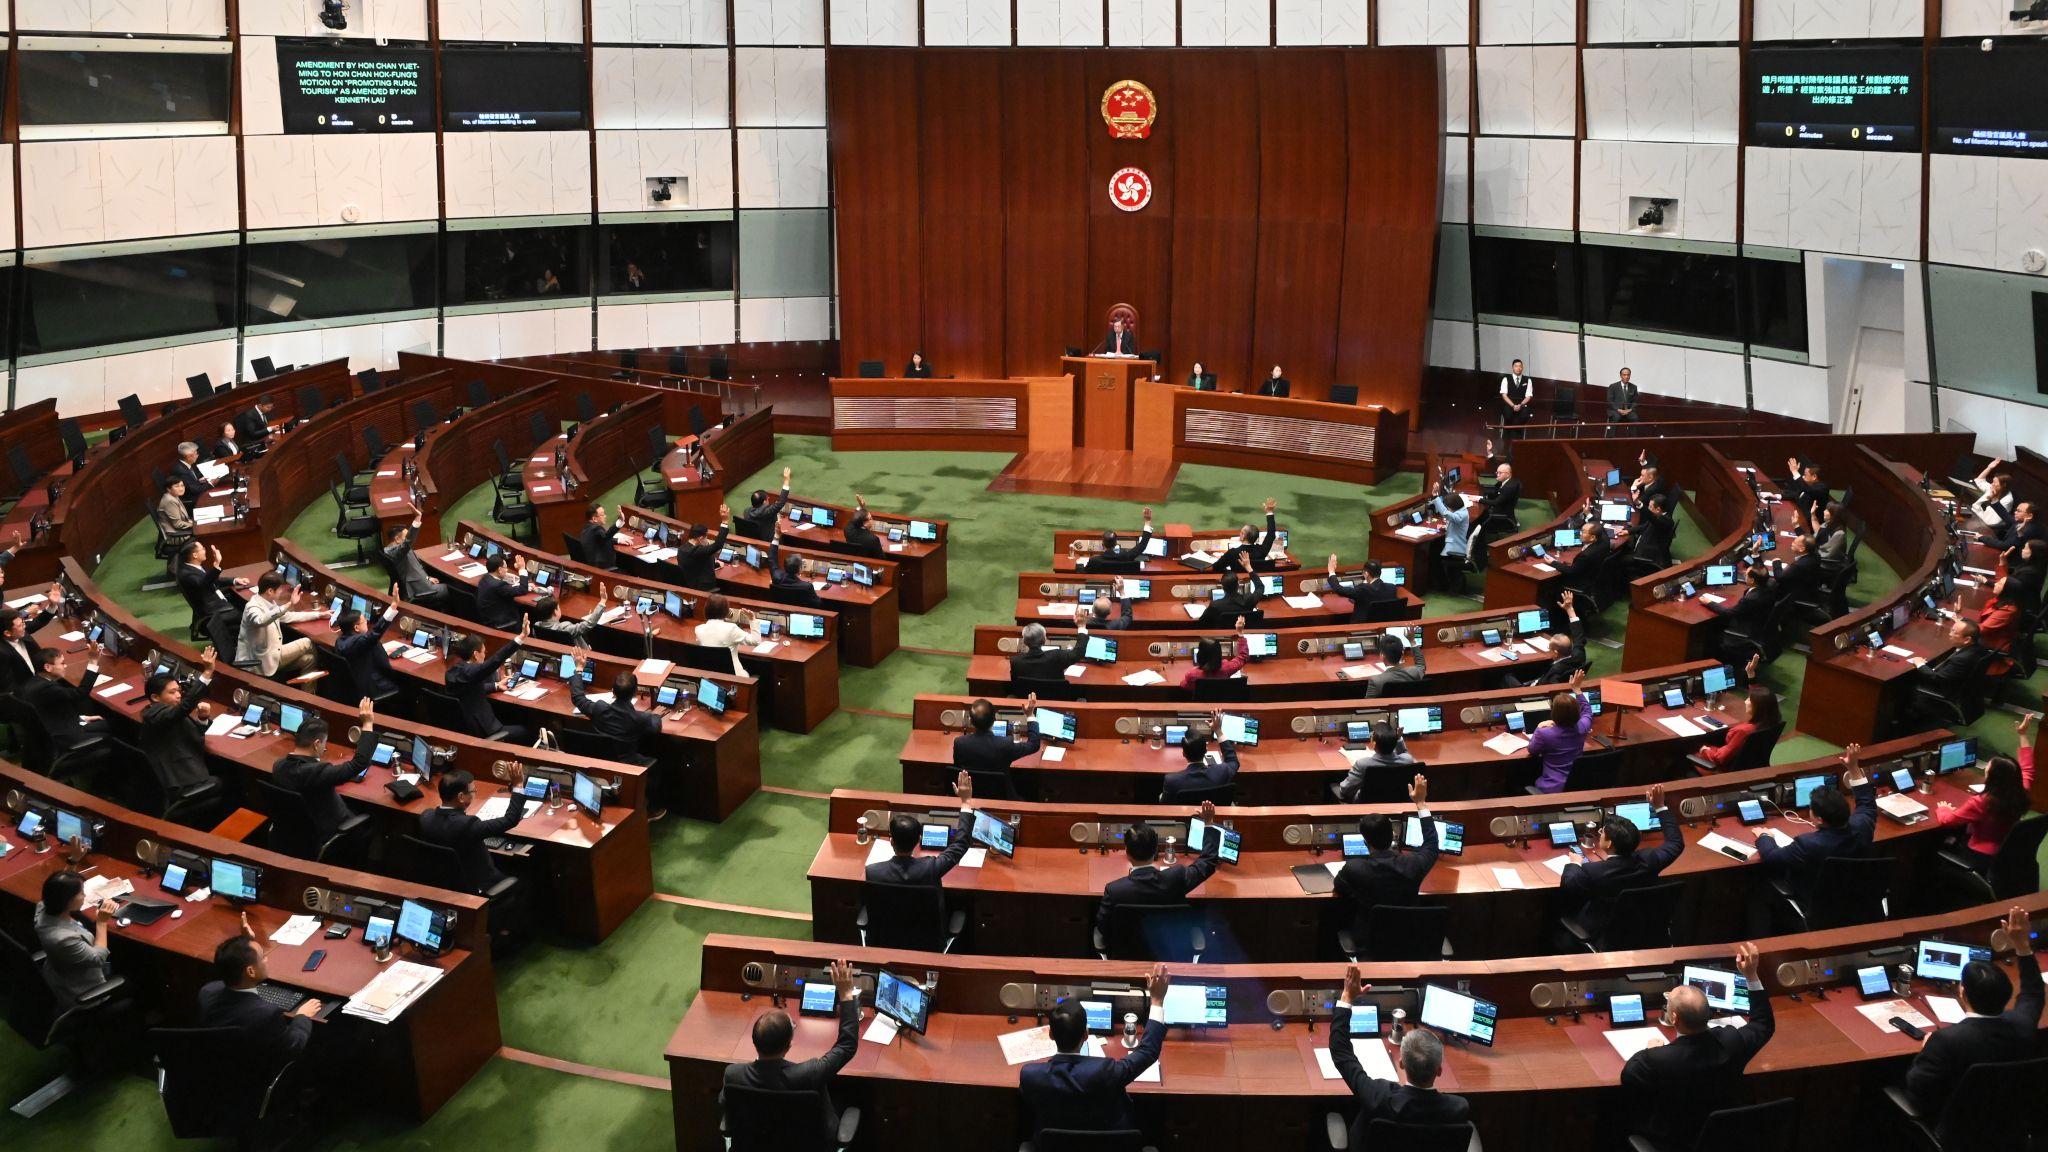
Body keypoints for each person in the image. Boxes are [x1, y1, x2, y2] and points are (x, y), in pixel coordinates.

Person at [1619, 942, 1775, 1148]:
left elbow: (1627, 1076)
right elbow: (1763, 1024)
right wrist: (1751, 975)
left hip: (1674, 1142)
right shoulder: (1732, 1042)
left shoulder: (1657, 1059)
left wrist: (1652, 1051)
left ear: (1674, 1018)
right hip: (1723, 1139)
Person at [1904, 905, 2042, 1118]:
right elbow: (2033, 994)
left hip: (1952, 1127)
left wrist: (1926, 1050)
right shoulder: (2023, 1025)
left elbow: (1916, 1089)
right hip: (2010, 1123)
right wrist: (2022, 946)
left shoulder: (1945, 1041)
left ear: (1963, 992)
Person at [1019, 964, 1167, 1138]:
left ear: (1050, 1034)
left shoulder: (1030, 1075)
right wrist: (1157, 1001)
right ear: (1086, 1035)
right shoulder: (1107, 1071)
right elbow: (1148, 1051)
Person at [724, 958, 861, 1138]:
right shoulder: (810, 1073)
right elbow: (847, 1045)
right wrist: (846, 994)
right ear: (789, 1045)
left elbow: (727, 1107)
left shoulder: (733, 1075)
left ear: (754, 1041)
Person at [1329, 966, 1469, 1142]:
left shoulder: (1379, 1096)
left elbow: (1341, 1053)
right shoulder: (1458, 1107)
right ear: (1439, 1070)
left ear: (1401, 1063)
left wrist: (1346, 998)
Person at [1756, 743, 1876, 912]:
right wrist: (1853, 767)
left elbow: (1771, 858)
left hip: (1820, 909)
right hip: (1859, 904)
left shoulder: (1807, 844)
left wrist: (1765, 837)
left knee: (1758, 890)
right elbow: (1866, 803)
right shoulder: (1862, 826)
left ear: (1819, 819)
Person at [1558, 784, 1683, 941]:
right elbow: (1675, 843)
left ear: (1609, 844)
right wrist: (1660, 807)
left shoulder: (1594, 871)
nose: (1600, 833)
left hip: (1604, 935)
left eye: (1602, 833)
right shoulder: (1650, 859)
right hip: (1643, 930)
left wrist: (1575, 863)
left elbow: (1570, 884)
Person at [1096, 801, 1220, 939]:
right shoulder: (1177, 877)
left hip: (1128, 949)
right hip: (1171, 947)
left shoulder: (1114, 890)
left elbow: (1103, 928)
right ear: (1156, 849)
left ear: (1127, 852)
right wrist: (1208, 823)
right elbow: (1208, 862)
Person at [199, 933, 320, 1072]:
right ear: (251, 971)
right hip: (254, 1074)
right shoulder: (267, 1014)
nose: (266, 959)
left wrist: (245, 943)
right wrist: (302, 1016)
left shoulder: (207, 992)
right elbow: (292, 1046)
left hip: (219, 1066)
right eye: (263, 957)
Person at [1934, 713, 2037, 867]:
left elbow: (1948, 820)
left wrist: (1943, 808)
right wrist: (2022, 734)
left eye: (1987, 770)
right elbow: (2027, 768)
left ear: (1994, 778)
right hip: (2006, 850)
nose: (1984, 771)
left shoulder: (1982, 802)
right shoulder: (2021, 789)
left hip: (1979, 856)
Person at [272, 703, 378, 844]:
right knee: (374, 820)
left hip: (294, 830)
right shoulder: (317, 772)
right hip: (330, 833)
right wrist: (368, 723)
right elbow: (359, 763)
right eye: (324, 743)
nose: (325, 747)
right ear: (316, 744)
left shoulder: (278, 766)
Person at [419, 765, 534, 895]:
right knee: (528, 878)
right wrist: (518, 785)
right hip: (480, 885)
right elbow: (510, 820)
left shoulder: (426, 817)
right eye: (473, 791)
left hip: (444, 881)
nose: (475, 793)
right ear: (461, 797)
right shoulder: (468, 825)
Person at [1333, 775, 1438, 906]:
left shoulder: (1354, 868)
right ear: (1393, 836)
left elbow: (1339, 887)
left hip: (1369, 920)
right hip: (1407, 920)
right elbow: (1432, 844)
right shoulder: (1413, 864)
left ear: (1365, 842)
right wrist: (1421, 803)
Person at [139, 648, 221, 812]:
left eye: (179, 691)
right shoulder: (156, 715)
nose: (178, 695)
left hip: (185, 767)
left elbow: (188, 730)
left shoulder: (163, 712)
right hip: (181, 781)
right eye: (172, 692)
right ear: (155, 697)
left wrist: (202, 719)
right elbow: (183, 709)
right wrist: (207, 673)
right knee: (230, 783)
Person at [868, 771, 976, 883]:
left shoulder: (872, 872)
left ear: (891, 841)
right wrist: (966, 801)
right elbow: (961, 844)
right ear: (918, 839)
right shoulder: (931, 868)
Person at [18, 646, 111, 771]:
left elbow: (51, 710)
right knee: (111, 737)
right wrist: (93, 661)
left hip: (56, 728)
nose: (65, 666)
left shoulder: (34, 682)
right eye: (62, 663)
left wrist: (81, 718)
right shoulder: (47, 688)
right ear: (47, 667)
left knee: (106, 724)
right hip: (64, 738)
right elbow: (80, 693)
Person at [35, 871, 116, 1008]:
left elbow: (57, 888)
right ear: (67, 900)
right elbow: (98, 958)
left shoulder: (43, 909)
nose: (84, 896)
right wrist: (102, 922)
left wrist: (71, 863)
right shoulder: (63, 939)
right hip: (82, 990)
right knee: (132, 979)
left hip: (62, 971)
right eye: (81, 893)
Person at [444, 633, 530, 745]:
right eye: (484, 652)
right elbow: (495, 660)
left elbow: (470, 688)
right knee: (526, 731)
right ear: (476, 654)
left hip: (463, 726)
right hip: (484, 730)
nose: (485, 656)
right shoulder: (472, 671)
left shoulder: (453, 671)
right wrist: (521, 637)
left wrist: (496, 685)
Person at [952, 695, 1042, 798]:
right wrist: (1030, 714)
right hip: (1002, 799)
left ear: (971, 721)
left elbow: (958, 768)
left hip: (970, 795)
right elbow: (1034, 744)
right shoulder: (1005, 745)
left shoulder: (960, 743)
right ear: (994, 719)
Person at [239, 572, 321, 679]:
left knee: (309, 659)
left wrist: (318, 615)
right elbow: (261, 620)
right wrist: (290, 604)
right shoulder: (252, 607)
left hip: (269, 655)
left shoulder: (269, 602)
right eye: (280, 590)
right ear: (270, 591)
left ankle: (307, 691)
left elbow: (289, 616)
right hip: (260, 661)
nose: (282, 592)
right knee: (308, 642)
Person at [570, 670, 662, 764]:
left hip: (600, 759)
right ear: (635, 692)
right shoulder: (640, 718)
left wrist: (579, 670)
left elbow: (578, 698)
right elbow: (655, 727)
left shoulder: (599, 709)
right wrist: (656, 714)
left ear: (613, 691)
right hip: (628, 764)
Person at [1693, 673, 1777, 769]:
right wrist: (1751, 675)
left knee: (1689, 746)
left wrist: (1704, 750)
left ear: (1757, 706)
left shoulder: (1742, 731)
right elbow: (1761, 698)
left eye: (1749, 700)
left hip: (1723, 768)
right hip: (1751, 764)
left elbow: (1720, 758)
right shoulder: (1772, 721)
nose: (1745, 701)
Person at [1527, 676, 1593, 793]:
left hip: (1552, 788)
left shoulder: (1544, 733)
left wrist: (1539, 727)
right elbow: (1587, 711)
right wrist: (1577, 689)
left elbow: (1532, 750)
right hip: (1577, 785)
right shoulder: (1583, 727)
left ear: (1553, 713)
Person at [1335, 724, 1420, 804]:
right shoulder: (1407, 761)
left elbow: (1345, 790)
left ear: (1374, 744)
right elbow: (1404, 753)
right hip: (1398, 802)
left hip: (1365, 805)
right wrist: (1399, 738)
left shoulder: (1363, 764)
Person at [334, 600, 401, 702]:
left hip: (353, 689)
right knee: (406, 683)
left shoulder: (339, 642)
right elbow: (375, 634)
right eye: (364, 621)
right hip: (372, 689)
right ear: (356, 627)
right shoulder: (362, 642)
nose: (367, 622)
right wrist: (392, 608)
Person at [0, 587, 62, 693]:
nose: (24, 626)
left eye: (23, 622)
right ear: (7, 633)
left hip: (42, 679)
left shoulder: (18, 631)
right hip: (29, 692)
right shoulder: (2, 654)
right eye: (20, 625)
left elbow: (38, 622)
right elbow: (8, 688)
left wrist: (52, 605)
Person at [1160, 720, 1238, 801]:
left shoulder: (1171, 780)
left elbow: (1165, 803)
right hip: (1213, 808)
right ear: (1206, 751)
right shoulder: (1222, 771)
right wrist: (1218, 732)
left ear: (1184, 754)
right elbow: (1233, 761)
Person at [384, 515, 449, 609]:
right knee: (450, 589)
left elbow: (414, 567)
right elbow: (408, 543)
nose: (408, 540)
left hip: (415, 582)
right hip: (417, 590)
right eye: (406, 537)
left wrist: (427, 578)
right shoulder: (395, 552)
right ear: (397, 539)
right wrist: (417, 520)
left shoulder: (389, 550)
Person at [176, 542, 243, 630]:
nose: (205, 550)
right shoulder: (187, 574)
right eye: (202, 549)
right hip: (212, 612)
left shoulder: (190, 567)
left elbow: (210, 580)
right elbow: (204, 584)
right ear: (195, 555)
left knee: (241, 599)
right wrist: (217, 564)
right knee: (247, 614)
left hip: (213, 600)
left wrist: (234, 580)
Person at [1917, 619, 1990, 696]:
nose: (1950, 634)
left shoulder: (1961, 659)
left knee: (1910, 676)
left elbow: (1936, 678)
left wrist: (1920, 664)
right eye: (1951, 630)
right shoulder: (1978, 647)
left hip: (1943, 689)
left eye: (1954, 632)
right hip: (1959, 682)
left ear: (1967, 639)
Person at [1469, 462, 1522, 567]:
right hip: (1497, 512)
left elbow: (1496, 502)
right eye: (1497, 472)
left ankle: (1480, 559)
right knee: (1478, 520)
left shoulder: (1509, 487)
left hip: (1502, 518)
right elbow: (1494, 495)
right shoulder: (1504, 482)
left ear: (1508, 474)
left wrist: (1479, 499)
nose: (1497, 474)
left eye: (1500, 473)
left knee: (1478, 528)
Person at [1977, 574, 2030, 676]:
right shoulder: (2003, 601)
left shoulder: (2008, 610)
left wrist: (1961, 621)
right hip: (1989, 638)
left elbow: (1982, 629)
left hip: (1991, 646)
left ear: (2007, 590)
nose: (1995, 584)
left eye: (2000, 583)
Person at [1212, 498, 1281, 573]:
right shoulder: (1262, 551)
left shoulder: (1232, 553)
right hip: (1255, 578)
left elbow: (1216, 567)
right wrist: (1269, 512)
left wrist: (1229, 571)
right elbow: (1271, 534)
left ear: (1243, 536)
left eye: (1241, 532)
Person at [693, 594, 753, 675]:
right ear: (725, 611)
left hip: (710, 674)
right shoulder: (731, 628)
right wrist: (752, 620)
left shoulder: (698, 629)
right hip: (735, 677)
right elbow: (755, 641)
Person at [529, 587, 608, 647]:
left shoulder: (536, 626)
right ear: (555, 612)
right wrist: (602, 601)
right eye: (558, 607)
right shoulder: (564, 628)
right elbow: (588, 624)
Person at [675, 508, 733, 590]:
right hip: (702, 587)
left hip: (690, 584)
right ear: (701, 538)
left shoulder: (681, 549)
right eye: (706, 537)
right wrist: (725, 521)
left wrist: (715, 564)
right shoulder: (698, 551)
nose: (707, 539)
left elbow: (697, 564)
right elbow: (718, 545)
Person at [1081, 507, 1153, 573]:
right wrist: (1148, 521)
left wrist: (1079, 564)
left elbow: (1084, 572)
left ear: (1103, 545)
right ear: (1116, 543)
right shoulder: (1127, 556)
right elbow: (1142, 545)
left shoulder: (1094, 561)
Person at [1326, 555, 1398, 621]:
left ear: (1366, 574)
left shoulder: (1363, 589)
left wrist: (1331, 571)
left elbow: (1339, 589)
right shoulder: (1392, 588)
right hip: (1383, 624)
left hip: (1362, 626)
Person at [768, 530, 825, 609]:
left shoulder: (776, 577)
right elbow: (817, 603)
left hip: (781, 608)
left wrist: (776, 536)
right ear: (799, 570)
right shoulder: (807, 587)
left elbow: (771, 558)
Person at [1196, 562, 1264, 628]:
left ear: (1222, 587)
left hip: (1223, 633)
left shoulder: (1215, 605)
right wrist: (1249, 567)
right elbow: (1260, 587)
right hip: (1243, 631)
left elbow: (1201, 622)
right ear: (1238, 585)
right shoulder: (1249, 599)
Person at [1180, 627, 1248, 691]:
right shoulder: (1227, 668)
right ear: (1219, 654)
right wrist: (1240, 635)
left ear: (1199, 655)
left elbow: (1183, 685)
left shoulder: (1191, 675)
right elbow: (1243, 657)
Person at [475, 553, 530, 631]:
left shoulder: (485, 578)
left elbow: (502, 588)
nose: (507, 570)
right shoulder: (498, 585)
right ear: (499, 570)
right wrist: (522, 569)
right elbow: (523, 590)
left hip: (488, 617)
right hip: (501, 622)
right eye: (505, 567)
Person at [1431, 485, 1472, 591]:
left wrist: (1435, 497)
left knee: (1434, 555)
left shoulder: (1460, 515)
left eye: (1448, 506)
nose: (1447, 508)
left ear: (1453, 506)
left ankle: (1440, 585)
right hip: (1455, 541)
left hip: (1455, 547)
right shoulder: (1462, 510)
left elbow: (1446, 514)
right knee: (1435, 546)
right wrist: (1446, 527)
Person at [736, 467, 793, 540]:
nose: (768, 499)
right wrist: (786, 480)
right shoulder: (766, 512)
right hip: (768, 541)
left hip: (754, 540)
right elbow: (781, 502)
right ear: (764, 502)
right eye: (767, 498)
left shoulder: (746, 511)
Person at [1359, 634, 1421, 698]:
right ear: (1402, 654)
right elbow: (1421, 665)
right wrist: (1412, 641)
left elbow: (1369, 703)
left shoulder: (1376, 681)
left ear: (1382, 656)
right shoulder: (1415, 672)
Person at [1011, 623, 1076, 682]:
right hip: (1053, 691)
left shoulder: (1015, 661)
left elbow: (1014, 682)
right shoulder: (1057, 656)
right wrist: (1069, 650)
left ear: (1024, 641)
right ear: (1044, 640)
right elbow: (1077, 654)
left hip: (1028, 691)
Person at [1498, 359, 1533, 443]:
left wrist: (1520, 405)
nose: (1518, 368)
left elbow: (1528, 396)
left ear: (1522, 368)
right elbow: (1504, 395)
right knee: (1508, 414)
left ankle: (1516, 437)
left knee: (1524, 414)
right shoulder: (1506, 379)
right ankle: (1509, 437)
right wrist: (1513, 406)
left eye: (1520, 366)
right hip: (1509, 404)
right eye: (1516, 366)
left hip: (1522, 404)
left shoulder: (1528, 380)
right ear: (1512, 368)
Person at [580, 503, 618, 570]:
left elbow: (601, 539)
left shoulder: (586, 528)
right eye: (602, 514)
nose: (605, 516)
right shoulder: (597, 529)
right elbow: (605, 536)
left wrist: (618, 540)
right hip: (600, 567)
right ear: (594, 519)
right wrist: (619, 522)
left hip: (590, 564)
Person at [1605, 366, 1639, 432]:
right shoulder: (1613, 386)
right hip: (1616, 410)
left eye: (1628, 375)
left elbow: (1635, 401)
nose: (1626, 376)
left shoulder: (1634, 387)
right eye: (1624, 375)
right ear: (1621, 375)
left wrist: (1630, 409)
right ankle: (1611, 436)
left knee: (1635, 418)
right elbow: (1609, 401)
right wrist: (1618, 409)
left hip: (1628, 410)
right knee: (1616, 417)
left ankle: (1632, 437)